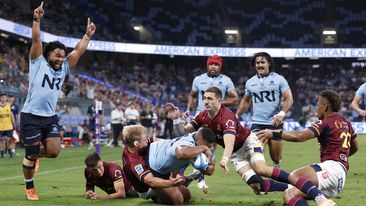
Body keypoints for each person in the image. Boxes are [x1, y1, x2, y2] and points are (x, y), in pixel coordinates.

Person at [166, 87, 336, 206]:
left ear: (219, 100)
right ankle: (294, 187)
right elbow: (183, 131)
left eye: (209, 98)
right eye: (204, 98)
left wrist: (224, 159)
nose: (206, 101)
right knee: (257, 185)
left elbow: (230, 140)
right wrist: (175, 119)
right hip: (235, 154)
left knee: (260, 168)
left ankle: (318, 196)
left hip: (248, 142)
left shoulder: (227, 116)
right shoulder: (202, 115)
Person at [20, 2, 96, 200]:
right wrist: (37, 19)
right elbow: (36, 38)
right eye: (57, 55)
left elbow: (78, 51)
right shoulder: (38, 61)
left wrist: (87, 36)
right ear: (48, 55)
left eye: (62, 56)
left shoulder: (63, 69)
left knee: (54, 152)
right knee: (31, 155)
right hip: (30, 115)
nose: (61, 59)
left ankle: (34, 155)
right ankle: (30, 187)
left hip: (49, 117)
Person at [257, 90, 357, 206]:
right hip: (339, 177)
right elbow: (354, 147)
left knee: (296, 176)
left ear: (325, 106)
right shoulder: (347, 124)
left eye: (318, 105)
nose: (316, 108)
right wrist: (341, 156)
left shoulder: (324, 123)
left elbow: (299, 136)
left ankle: (320, 199)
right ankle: (268, 186)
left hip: (331, 169)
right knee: (289, 195)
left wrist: (273, 133)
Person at [185, 55, 238, 189]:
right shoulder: (198, 79)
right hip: (200, 116)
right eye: (211, 64)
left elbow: (234, 99)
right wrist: (189, 108)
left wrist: (217, 103)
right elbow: (192, 94)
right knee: (193, 144)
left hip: (216, 118)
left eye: (216, 64)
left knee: (209, 147)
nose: (213, 66)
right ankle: (191, 174)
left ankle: (199, 175)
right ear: (207, 65)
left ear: (220, 66)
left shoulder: (226, 80)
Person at [236, 52, 293, 167]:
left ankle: (277, 172)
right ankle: (262, 183)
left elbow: (289, 99)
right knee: (257, 157)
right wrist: (236, 115)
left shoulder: (279, 79)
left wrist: (281, 114)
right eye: (257, 63)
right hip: (258, 124)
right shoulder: (250, 82)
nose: (259, 65)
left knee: (276, 157)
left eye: (262, 62)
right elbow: (246, 101)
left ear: (269, 63)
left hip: (274, 124)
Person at [122, 125, 204, 205]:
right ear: (136, 144)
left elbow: (164, 143)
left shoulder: (139, 144)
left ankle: (184, 180)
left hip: (154, 171)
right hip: (147, 187)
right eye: (144, 139)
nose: (147, 139)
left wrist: (183, 151)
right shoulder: (133, 162)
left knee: (187, 195)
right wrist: (170, 183)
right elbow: (150, 180)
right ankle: (159, 196)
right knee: (178, 200)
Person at [0, 92, 15, 158]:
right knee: (1, 141)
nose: (3, 98)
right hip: (1, 127)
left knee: (9, 140)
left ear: (6, 98)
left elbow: (12, 115)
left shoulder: (9, 105)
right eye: (2, 97)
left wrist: (14, 124)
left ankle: (9, 152)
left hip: (9, 126)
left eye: (4, 97)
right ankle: (2, 154)